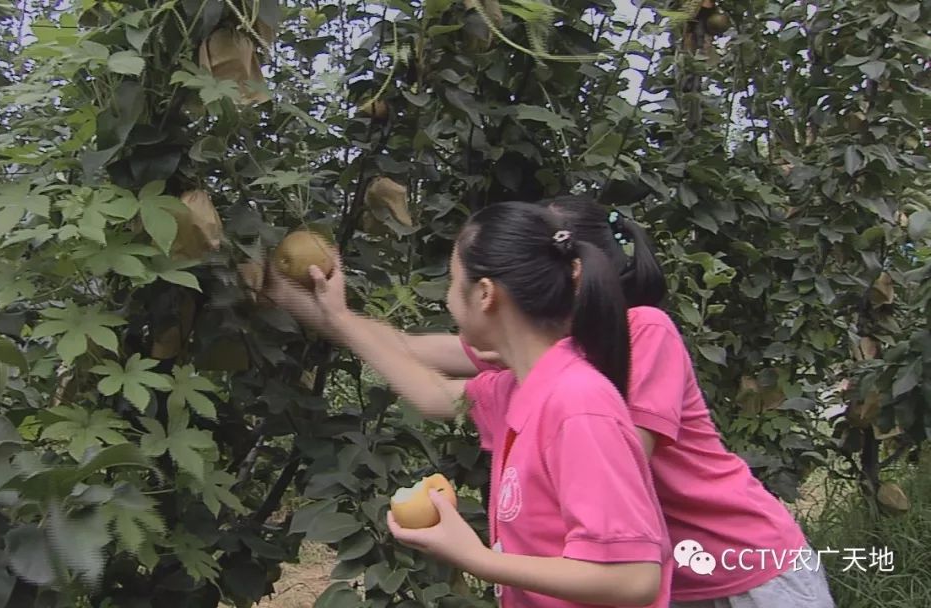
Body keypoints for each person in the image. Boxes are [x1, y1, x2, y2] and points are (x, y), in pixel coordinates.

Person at [265, 195, 836, 608]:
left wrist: (486, 555)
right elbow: (425, 368)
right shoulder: (534, 375)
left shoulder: (632, 342)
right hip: (665, 575)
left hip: (748, 565)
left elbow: (615, 465)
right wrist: (328, 316)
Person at [269, 201, 672, 607]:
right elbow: (434, 394)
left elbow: (634, 578)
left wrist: (476, 558)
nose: (447, 300)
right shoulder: (520, 389)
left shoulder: (578, 403)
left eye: (451, 283)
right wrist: (333, 316)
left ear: (484, 295)